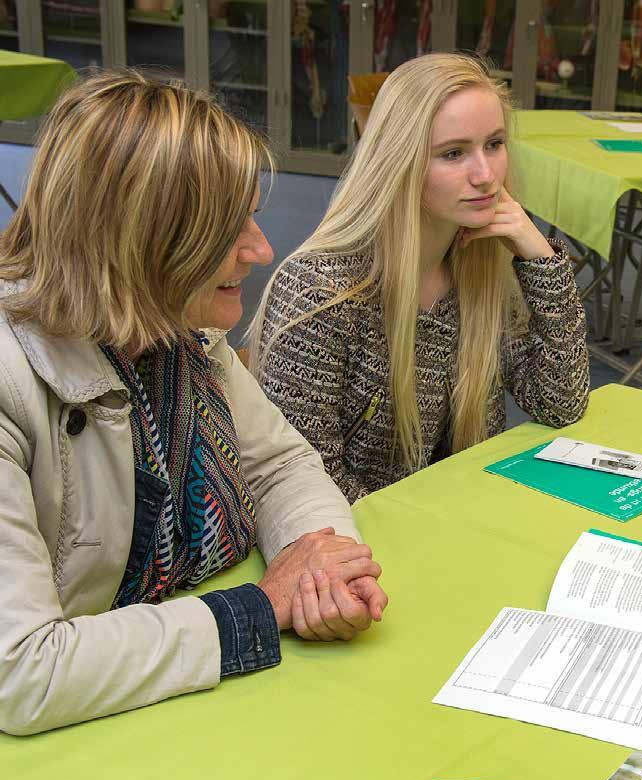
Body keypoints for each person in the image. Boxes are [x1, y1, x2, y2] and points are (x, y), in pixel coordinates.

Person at [0, 70, 388, 737]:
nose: (262, 247)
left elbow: (278, 467)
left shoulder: (178, 326)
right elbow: (24, 671)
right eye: (225, 226)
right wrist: (258, 610)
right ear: (136, 241)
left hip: (173, 700)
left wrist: (323, 563)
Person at [249, 53, 589, 504]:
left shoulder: (480, 269)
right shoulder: (321, 292)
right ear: (399, 162)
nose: (486, 176)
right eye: (453, 153)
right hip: (356, 546)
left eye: (494, 144)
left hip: (450, 521)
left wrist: (540, 257)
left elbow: (560, 402)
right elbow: (305, 481)